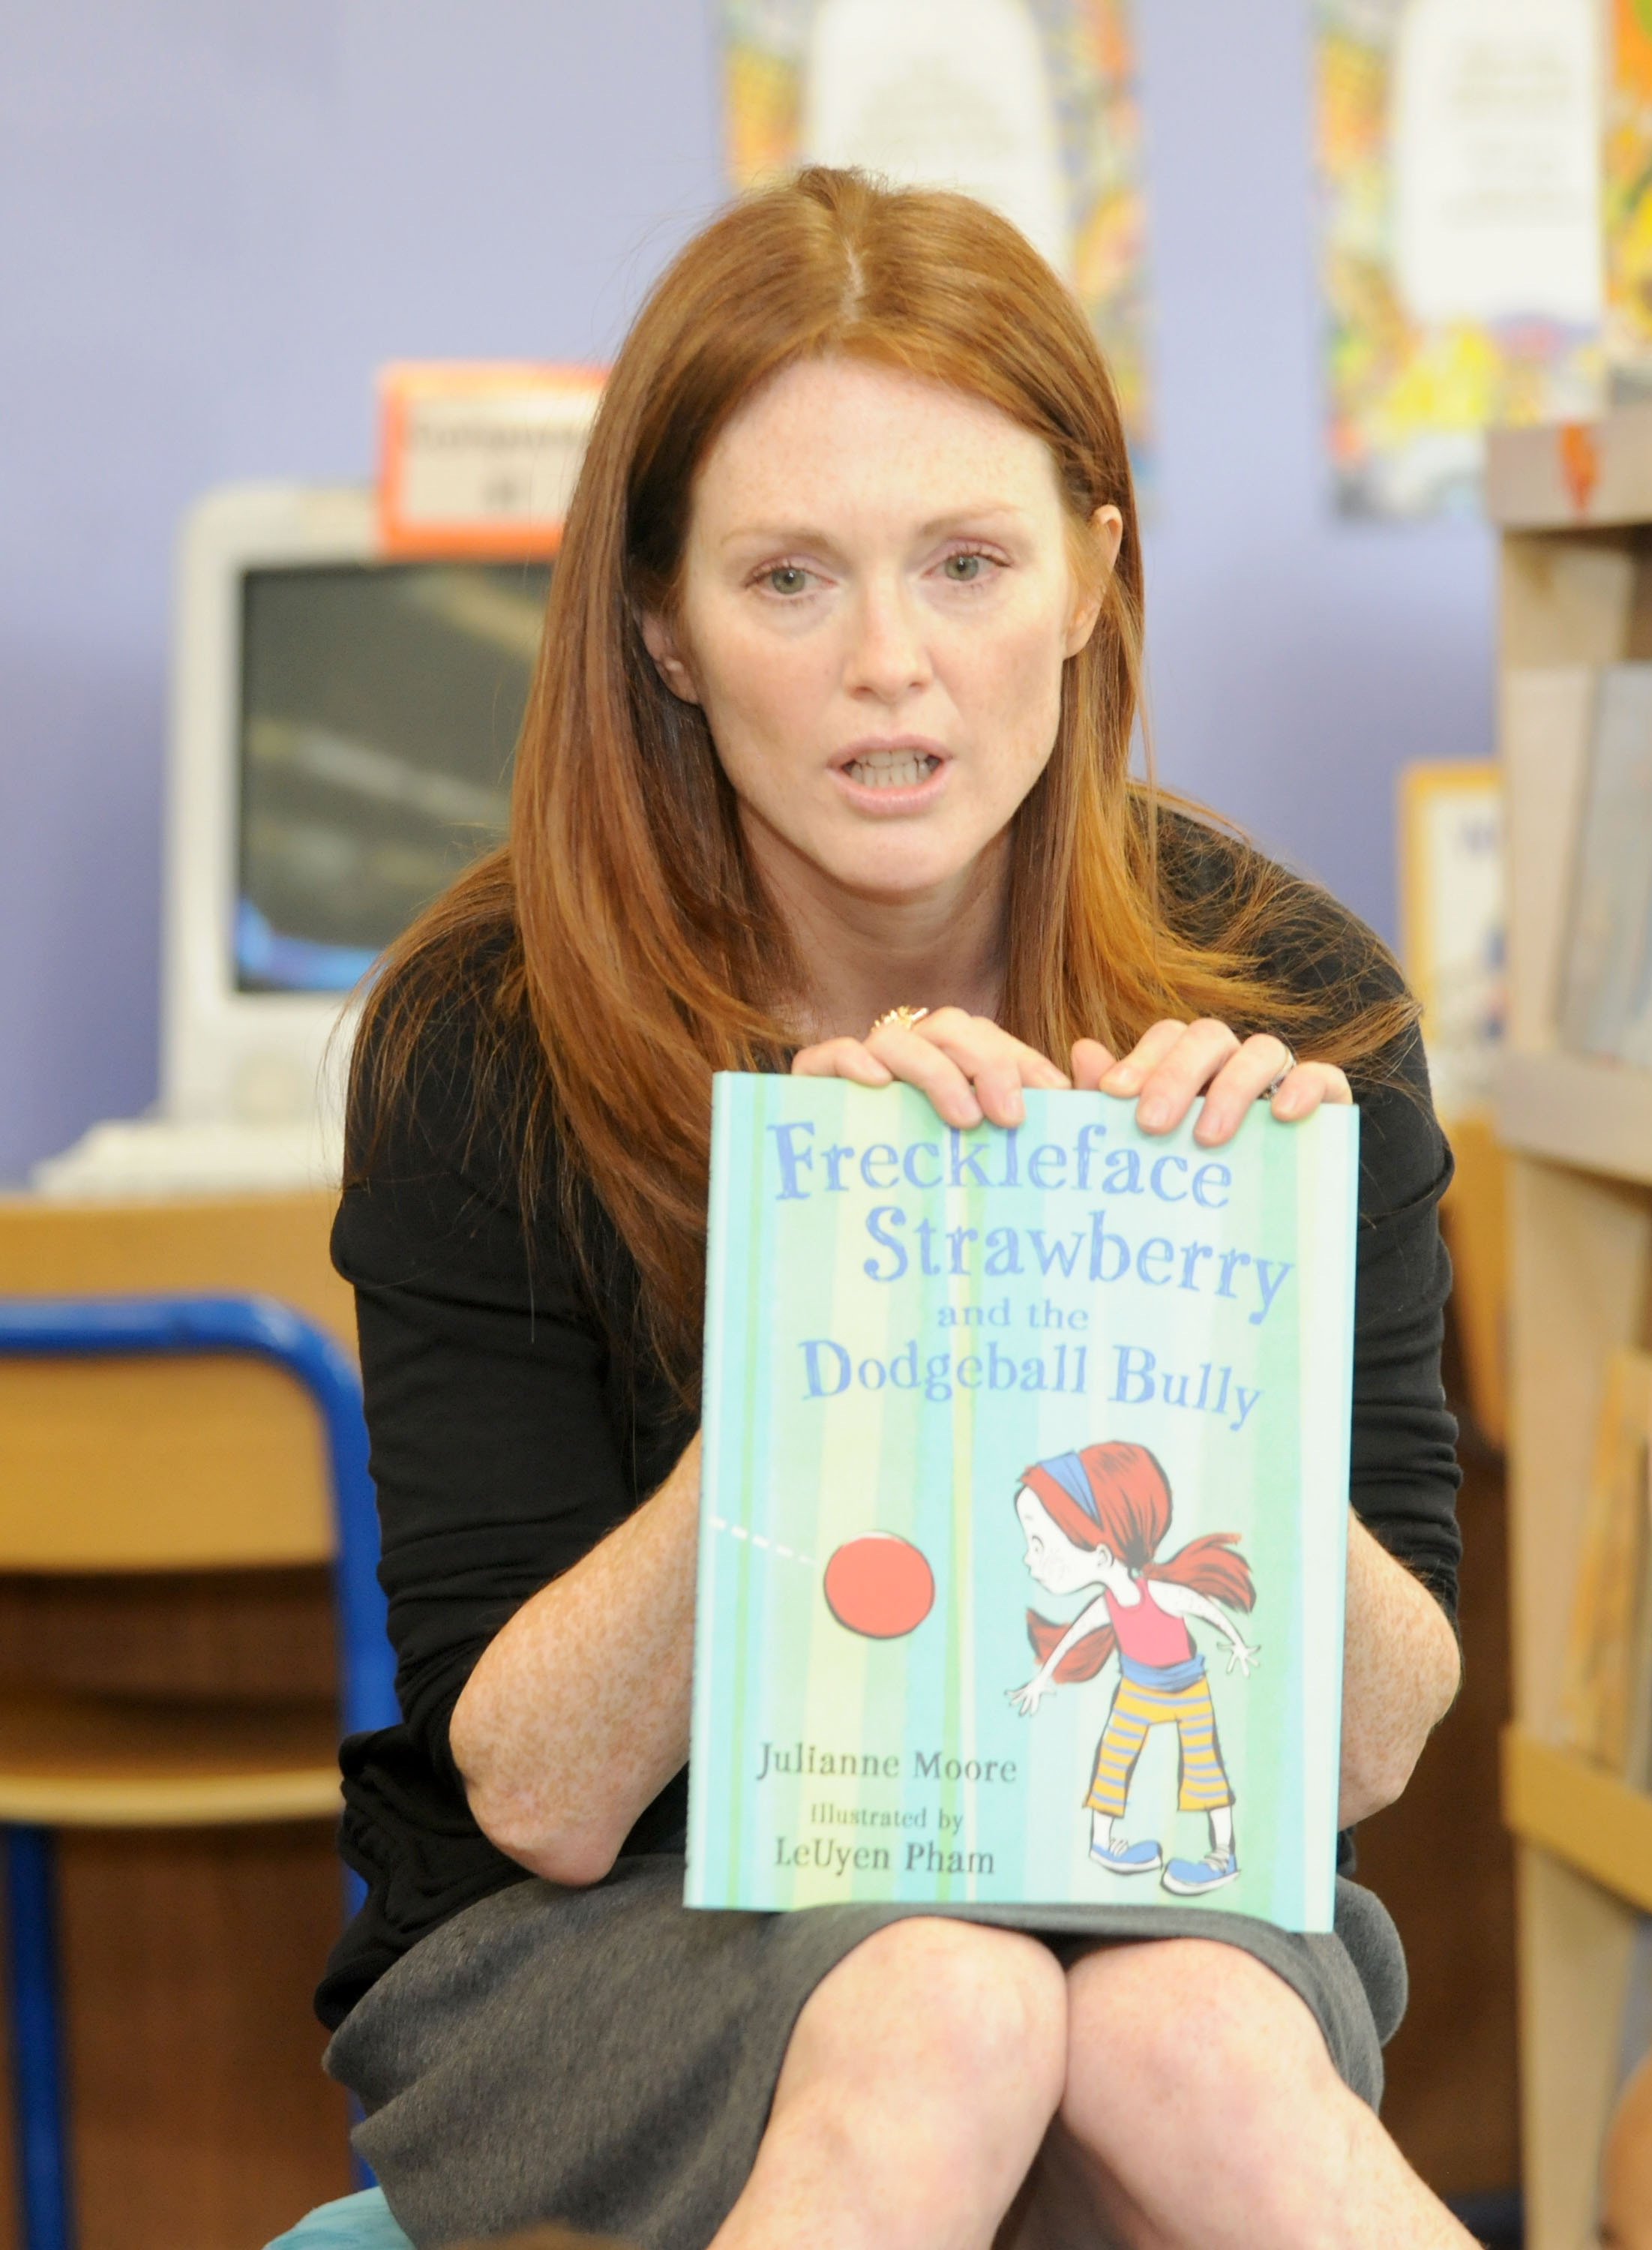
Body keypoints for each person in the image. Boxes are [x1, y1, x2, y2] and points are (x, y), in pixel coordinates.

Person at [318, 168, 1470, 2248]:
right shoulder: (485, 1034)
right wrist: (837, 1288)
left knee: (1184, 2039)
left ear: (1090, 577)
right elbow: (536, 1795)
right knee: (940, 2007)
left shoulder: (1286, 1004)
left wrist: (1204, 1318)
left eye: (964, 564)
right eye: (785, 579)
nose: (890, 669)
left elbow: (1370, 1752)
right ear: (658, 619)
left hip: (1140, 1890)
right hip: (618, 1940)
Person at [1009, 1442, 1258, 1892]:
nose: (1030, 1558)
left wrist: (1238, 1644)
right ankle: (1103, 1843)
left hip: (1187, 1690)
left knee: (1204, 1766)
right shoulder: (1106, 1605)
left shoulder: (1158, 1593)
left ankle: (1223, 1855)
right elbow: (1072, 1639)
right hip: (1137, 1691)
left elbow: (1203, 1607)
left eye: (1040, 1544)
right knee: (1114, 1757)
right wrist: (1040, 1680)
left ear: (1102, 1555)